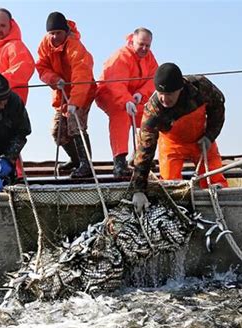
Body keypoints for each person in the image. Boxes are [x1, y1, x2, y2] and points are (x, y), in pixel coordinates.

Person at [132, 62, 229, 215]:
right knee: (170, 189)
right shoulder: (153, 110)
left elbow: (218, 107)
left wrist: (210, 136)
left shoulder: (201, 88)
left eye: (169, 94)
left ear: (180, 89)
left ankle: (222, 213)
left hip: (201, 142)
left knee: (215, 181)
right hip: (172, 145)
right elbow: (145, 148)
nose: (164, 99)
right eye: (160, 93)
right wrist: (138, 189)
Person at [36, 11, 96, 178]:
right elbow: (41, 67)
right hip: (61, 93)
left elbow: (82, 75)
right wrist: (54, 79)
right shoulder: (45, 44)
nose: (54, 37)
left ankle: (86, 164)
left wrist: (74, 102)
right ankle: (75, 159)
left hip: (82, 92)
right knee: (57, 131)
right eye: (52, 33)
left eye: (58, 33)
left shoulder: (75, 46)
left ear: (66, 32)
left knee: (75, 123)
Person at [95, 28, 158, 177]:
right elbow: (115, 84)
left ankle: (141, 155)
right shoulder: (121, 56)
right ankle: (119, 162)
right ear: (132, 41)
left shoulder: (150, 58)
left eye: (147, 46)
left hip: (133, 96)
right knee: (121, 115)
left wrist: (139, 94)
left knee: (152, 115)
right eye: (141, 44)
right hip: (108, 94)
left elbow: (153, 79)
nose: (144, 48)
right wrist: (126, 100)